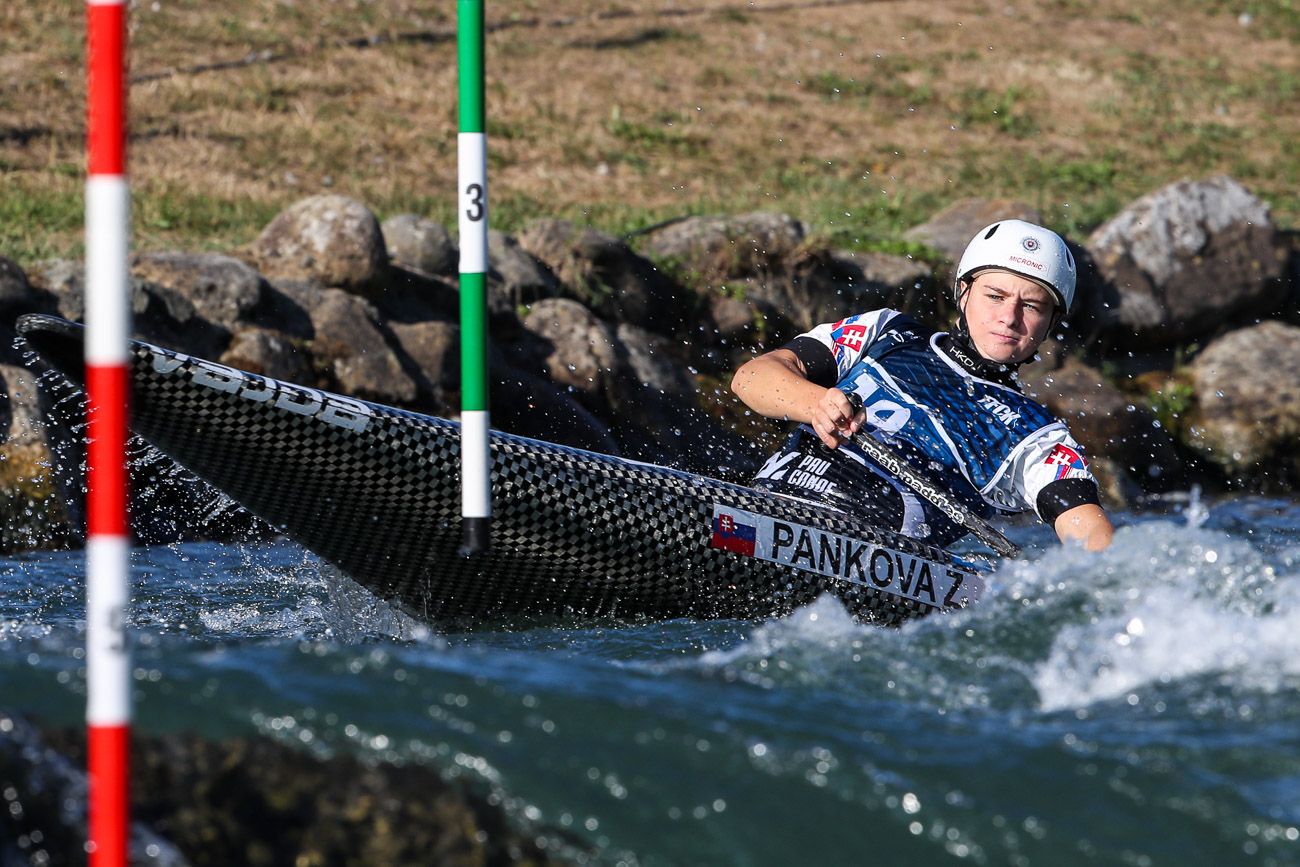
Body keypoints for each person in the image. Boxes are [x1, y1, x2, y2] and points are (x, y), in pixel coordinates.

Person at [730, 219, 1114, 552]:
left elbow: (1091, 536)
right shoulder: (884, 330)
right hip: (758, 514)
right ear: (963, 292)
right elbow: (750, 378)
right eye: (994, 296)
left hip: (867, 562)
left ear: (1051, 322)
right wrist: (816, 403)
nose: (1009, 317)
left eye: (1031, 306)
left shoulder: (1036, 437)